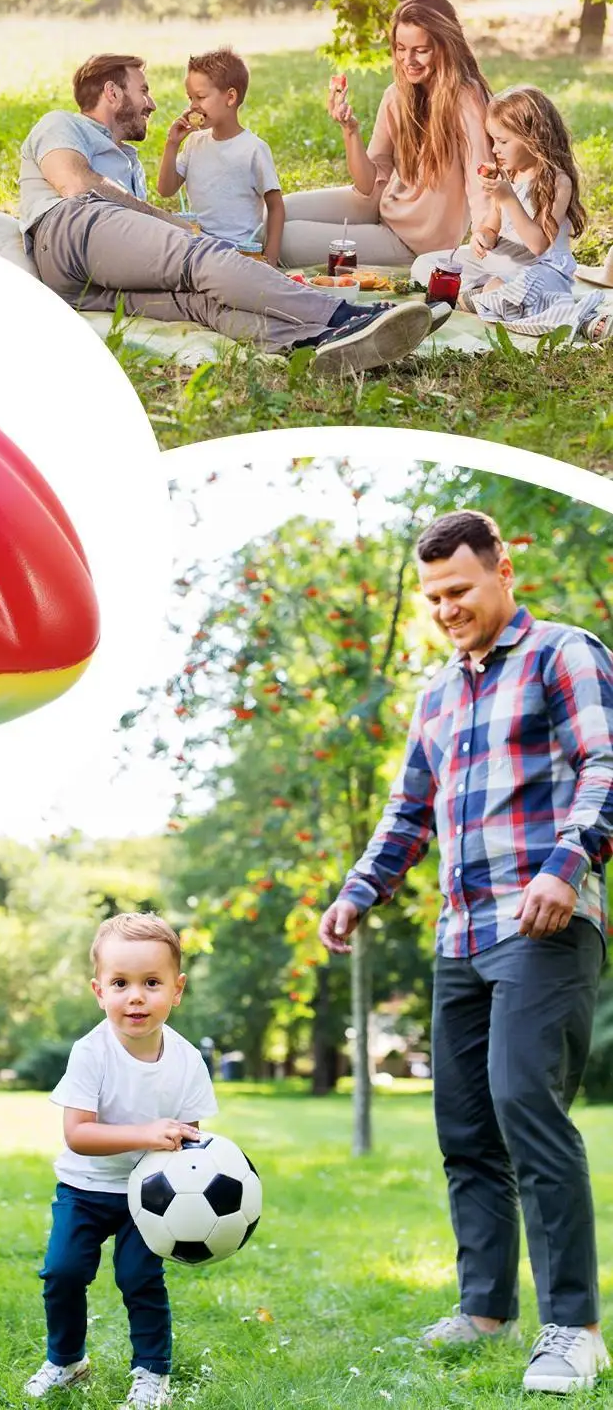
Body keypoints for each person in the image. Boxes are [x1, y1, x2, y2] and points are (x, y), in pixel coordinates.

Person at [319, 509, 613, 1395]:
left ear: (501, 572)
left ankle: (572, 1328)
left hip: (545, 922)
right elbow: (408, 810)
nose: (447, 608)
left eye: (460, 589)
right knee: (464, 1128)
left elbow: (606, 765)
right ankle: (484, 1306)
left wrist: (568, 864)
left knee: (527, 1105)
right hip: (460, 931)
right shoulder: (436, 694)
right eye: (434, 596)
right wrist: (357, 890)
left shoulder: (564, 651)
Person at [18, 53, 433, 376]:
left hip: (78, 283)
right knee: (202, 255)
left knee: (199, 302)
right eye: (142, 90)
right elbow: (73, 182)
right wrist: (172, 224)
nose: (153, 103)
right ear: (112, 93)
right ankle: (345, 315)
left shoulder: (126, 161)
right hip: (70, 228)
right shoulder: (61, 124)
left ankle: (316, 340)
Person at [24, 913, 214, 1409]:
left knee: (139, 1278)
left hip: (149, 1195)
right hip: (85, 1189)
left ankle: (152, 1374)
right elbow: (78, 1134)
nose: (136, 996)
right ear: (98, 990)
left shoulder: (188, 1059)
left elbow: (193, 1139)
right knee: (62, 1272)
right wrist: (146, 1133)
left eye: (152, 983)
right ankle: (66, 1362)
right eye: (120, 983)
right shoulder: (91, 1053)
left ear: (177, 989)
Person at [283, 0, 492, 266]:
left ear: (445, 47)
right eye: (401, 48)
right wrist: (350, 130)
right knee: (276, 213)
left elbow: (482, 182)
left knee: (284, 240)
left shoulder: (467, 99)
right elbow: (368, 186)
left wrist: (485, 233)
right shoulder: (397, 95)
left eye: (421, 50)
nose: (408, 60)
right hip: (381, 207)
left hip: (413, 243)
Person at [454, 87, 597, 339]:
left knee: (529, 285)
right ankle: (491, 297)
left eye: (503, 141)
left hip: (543, 270)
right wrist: (482, 237)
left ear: (534, 139)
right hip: (508, 264)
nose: (495, 149)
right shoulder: (511, 175)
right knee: (437, 264)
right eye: (493, 140)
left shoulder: (557, 182)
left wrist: (508, 198)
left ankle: (493, 298)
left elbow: (538, 244)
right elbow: (491, 226)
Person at [155, 47, 283, 264]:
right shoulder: (195, 142)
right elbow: (166, 190)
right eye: (190, 98)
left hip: (238, 252)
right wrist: (172, 144)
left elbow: (276, 206)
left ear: (230, 97)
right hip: (197, 247)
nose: (193, 106)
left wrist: (270, 259)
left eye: (201, 97)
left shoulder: (253, 149)